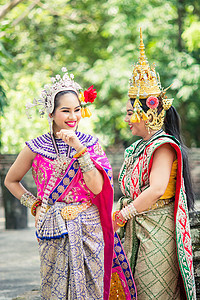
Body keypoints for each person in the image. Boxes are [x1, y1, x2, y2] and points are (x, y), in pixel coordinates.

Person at [4, 68, 114, 300]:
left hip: (87, 226)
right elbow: (11, 180)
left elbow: (97, 188)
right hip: (52, 225)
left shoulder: (91, 144)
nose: (72, 116)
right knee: (53, 288)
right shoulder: (35, 146)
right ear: (51, 113)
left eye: (76, 110)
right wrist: (34, 205)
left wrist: (80, 150)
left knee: (91, 290)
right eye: (65, 110)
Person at [112, 29, 196, 300]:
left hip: (157, 230)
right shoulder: (137, 147)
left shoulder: (162, 146)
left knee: (152, 293)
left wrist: (123, 215)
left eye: (129, 113)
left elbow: (157, 189)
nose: (126, 119)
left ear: (145, 112)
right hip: (136, 227)